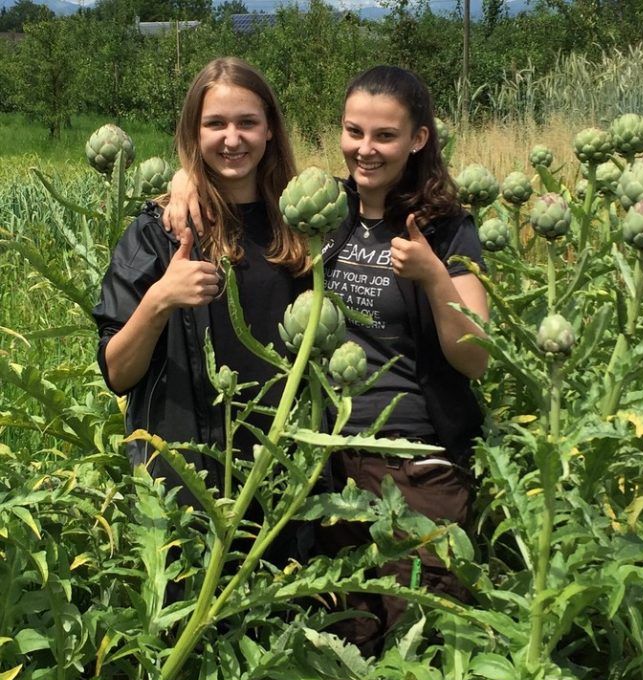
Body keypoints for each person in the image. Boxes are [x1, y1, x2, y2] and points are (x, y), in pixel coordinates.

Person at [166, 65, 489, 649]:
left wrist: (434, 277)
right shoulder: (321, 212)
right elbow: (237, 173)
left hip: (416, 467)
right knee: (346, 637)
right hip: (324, 467)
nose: (365, 150)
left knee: (419, 635)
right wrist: (186, 177)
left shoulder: (445, 229)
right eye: (353, 132)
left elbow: (475, 359)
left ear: (418, 139)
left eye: (385, 136)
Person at [93, 57, 309, 513]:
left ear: (270, 129)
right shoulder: (156, 232)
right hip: (180, 480)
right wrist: (160, 299)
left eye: (247, 122)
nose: (233, 139)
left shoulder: (303, 223)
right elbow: (117, 373)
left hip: (283, 478)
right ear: (194, 133)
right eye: (215, 124)